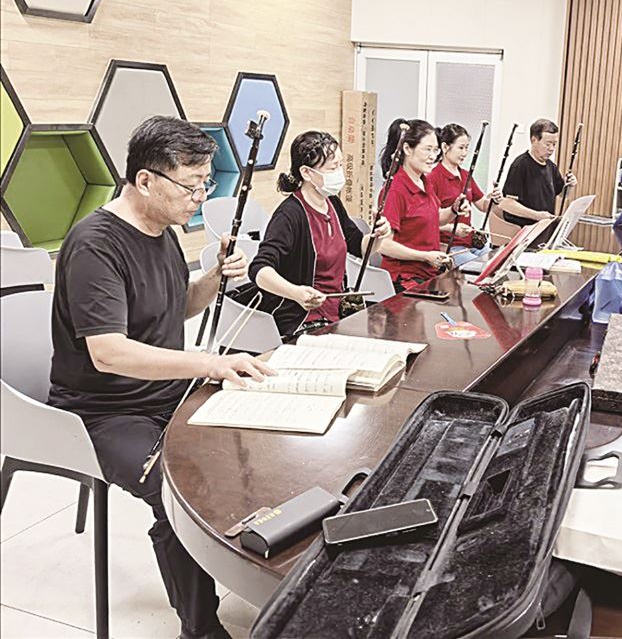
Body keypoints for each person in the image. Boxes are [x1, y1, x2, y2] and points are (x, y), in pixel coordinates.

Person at [47, 116, 274, 639]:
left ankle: (260, 572)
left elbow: (179, 307)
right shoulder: (96, 245)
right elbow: (109, 353)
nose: (200, 197)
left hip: (164, 394)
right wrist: (208, 363)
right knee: (178, 492)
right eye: (191, 185)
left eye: (206, 184)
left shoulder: (163, 231)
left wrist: (213, 277)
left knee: (249, 442)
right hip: (103, 410)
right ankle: (199, 628)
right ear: (145, 180)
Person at [247, 131, 391, 337]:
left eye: (340, 165)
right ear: (306, 172)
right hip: (303, 319)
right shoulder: (289, 215)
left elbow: (360, 247)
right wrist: (296, 293)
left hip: (338, 312)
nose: (339, 173)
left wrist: (378, 235)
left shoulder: (332, 202)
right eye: (333, 168)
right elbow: (258, 269)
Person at [377, 119, 469, 291]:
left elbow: (433, 218)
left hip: (429, 273)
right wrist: (424, 256)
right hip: (405, 278)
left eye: (435, 150)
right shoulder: (395, 190)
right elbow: (383, 245)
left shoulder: (424, 182)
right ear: (407, 149)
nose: (433, 156)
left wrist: (453, 210)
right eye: (427, 149)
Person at [426, 123, 502, 252]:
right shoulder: (433, 178)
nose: (465, 153)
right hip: (448, 245)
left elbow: (483, 206)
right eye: (461, 148)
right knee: (478, 264)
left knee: (496, 259)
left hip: (470, 243)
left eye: (467, 148)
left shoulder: (466, 175)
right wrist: (452, 228)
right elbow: (427, 221)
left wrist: (494, 200)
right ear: (445, 147)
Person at [499, 118, 577, 227]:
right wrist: (537, 216)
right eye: (547, 144)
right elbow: (507, 204)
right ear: (534, 140)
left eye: (554, 144)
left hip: (544, 227)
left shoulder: (551, 166)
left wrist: (569, 185)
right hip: (523, 230)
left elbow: (562, 194)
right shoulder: (520, 165)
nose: (551, 149)